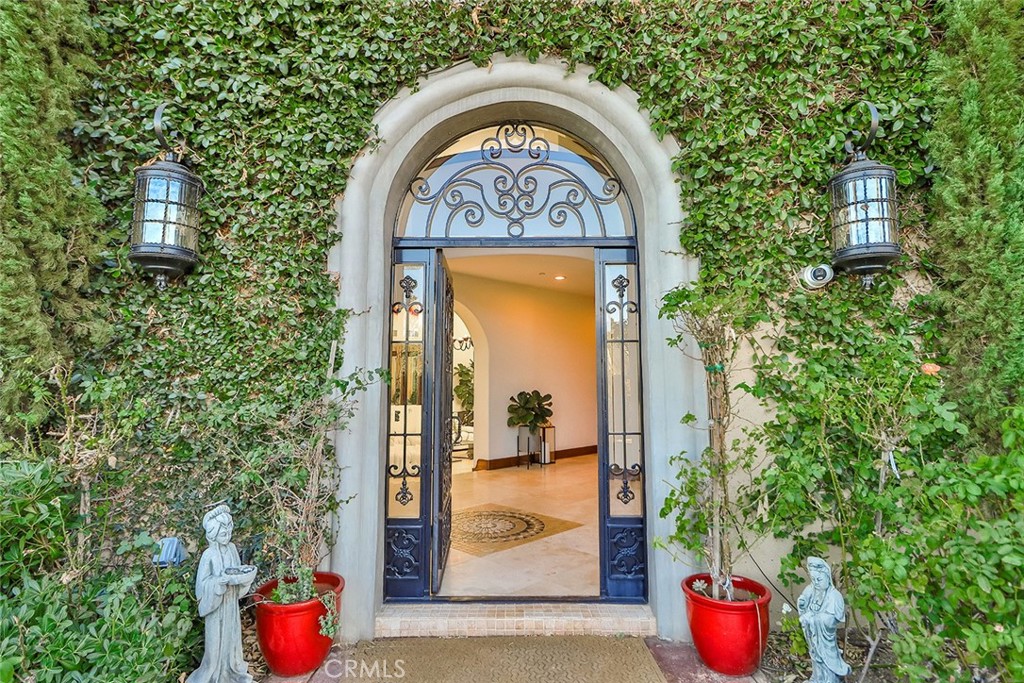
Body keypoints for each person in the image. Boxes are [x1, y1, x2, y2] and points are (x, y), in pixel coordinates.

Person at [186, 505, 257, 683]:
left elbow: (236, 571)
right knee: (215, 645)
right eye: (222, 528)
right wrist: (218, 583)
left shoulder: (232, 548)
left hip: (231, 604)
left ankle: (231, 671)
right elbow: (202, 587)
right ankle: (214, 675)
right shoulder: (208, 555)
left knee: (232, 640)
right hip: (216, 608)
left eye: (228, 527)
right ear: (213, 532)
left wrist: (243, 577)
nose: (226, 531)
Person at [797, 556, 851, 683]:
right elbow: (803, 602)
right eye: (813, 579)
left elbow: (832, 620)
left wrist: (813, 618)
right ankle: (817, 678)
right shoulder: (811, 589)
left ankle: (829, 680)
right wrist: (802, 604)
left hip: (825, 639)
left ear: (827, 576)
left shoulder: (834, 596)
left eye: (819, 579)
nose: (816, 582)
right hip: (813, 635)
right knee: (815, 657)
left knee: (825, 658)